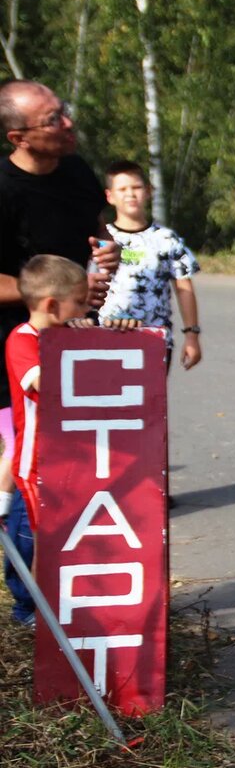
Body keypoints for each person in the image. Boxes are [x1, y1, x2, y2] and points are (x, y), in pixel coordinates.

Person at [0, 79, 118, 626]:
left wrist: (103, 261)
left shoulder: (76, 172)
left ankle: (80, 587)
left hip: (71, 330)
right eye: (53, 120)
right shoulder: (2, 187)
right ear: (18, 136)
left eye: (64, 113)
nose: (67, 124)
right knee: (27, 466)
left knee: (75, 472)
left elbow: (96, 234)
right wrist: (49, 298)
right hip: (14, 344)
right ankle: (28, 601)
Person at [4, 256, 95, 626]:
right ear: (53, 305)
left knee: (51, 539)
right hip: (36, 466)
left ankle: (49, 606)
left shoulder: (63, 335)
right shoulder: (22, 340)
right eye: (81, 301)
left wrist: (105, 335)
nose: (87, 308)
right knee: (36, 543)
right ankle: (30, 610)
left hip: (67, 462)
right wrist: (83, 344)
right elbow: (48, 383)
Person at [99, 160, 202, 370]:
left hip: (154, 339)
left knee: (151, 402)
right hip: (104, 336)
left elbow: (184, 289)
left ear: (148, 191)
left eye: (136, 187)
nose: (130, 194)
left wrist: (192, 335)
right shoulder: (102, 240)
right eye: (122, 189)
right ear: (110, 196)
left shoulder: (166, 239)